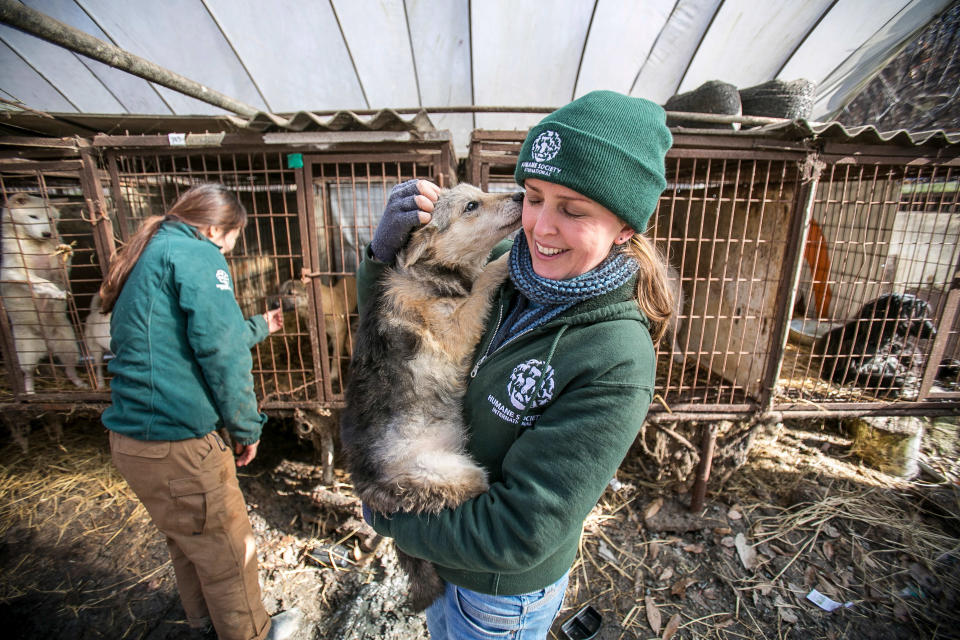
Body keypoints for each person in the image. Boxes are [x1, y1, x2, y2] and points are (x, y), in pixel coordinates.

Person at [356, 90, 674, 638]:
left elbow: (519, 532)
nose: (541, 228)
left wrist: (392, 520)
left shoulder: (615, 357)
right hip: (441, 552)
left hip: (497, 596)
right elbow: (400, 339)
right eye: (532, 197)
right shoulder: (504, 264)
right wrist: (383, 259)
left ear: (625, 227)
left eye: (572, 210)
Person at [99, 184, 299, 640]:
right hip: (180, 444)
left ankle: (206, 625)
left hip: (137, 445)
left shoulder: (152, 250)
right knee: (228, 548)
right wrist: (247, 426)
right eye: (232, 239)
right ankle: (253, 634)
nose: (230, 250)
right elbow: (221, 351)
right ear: (214, 228)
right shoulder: (198, 255)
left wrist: (257, 326)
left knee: (190, 544)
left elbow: (187, 338)